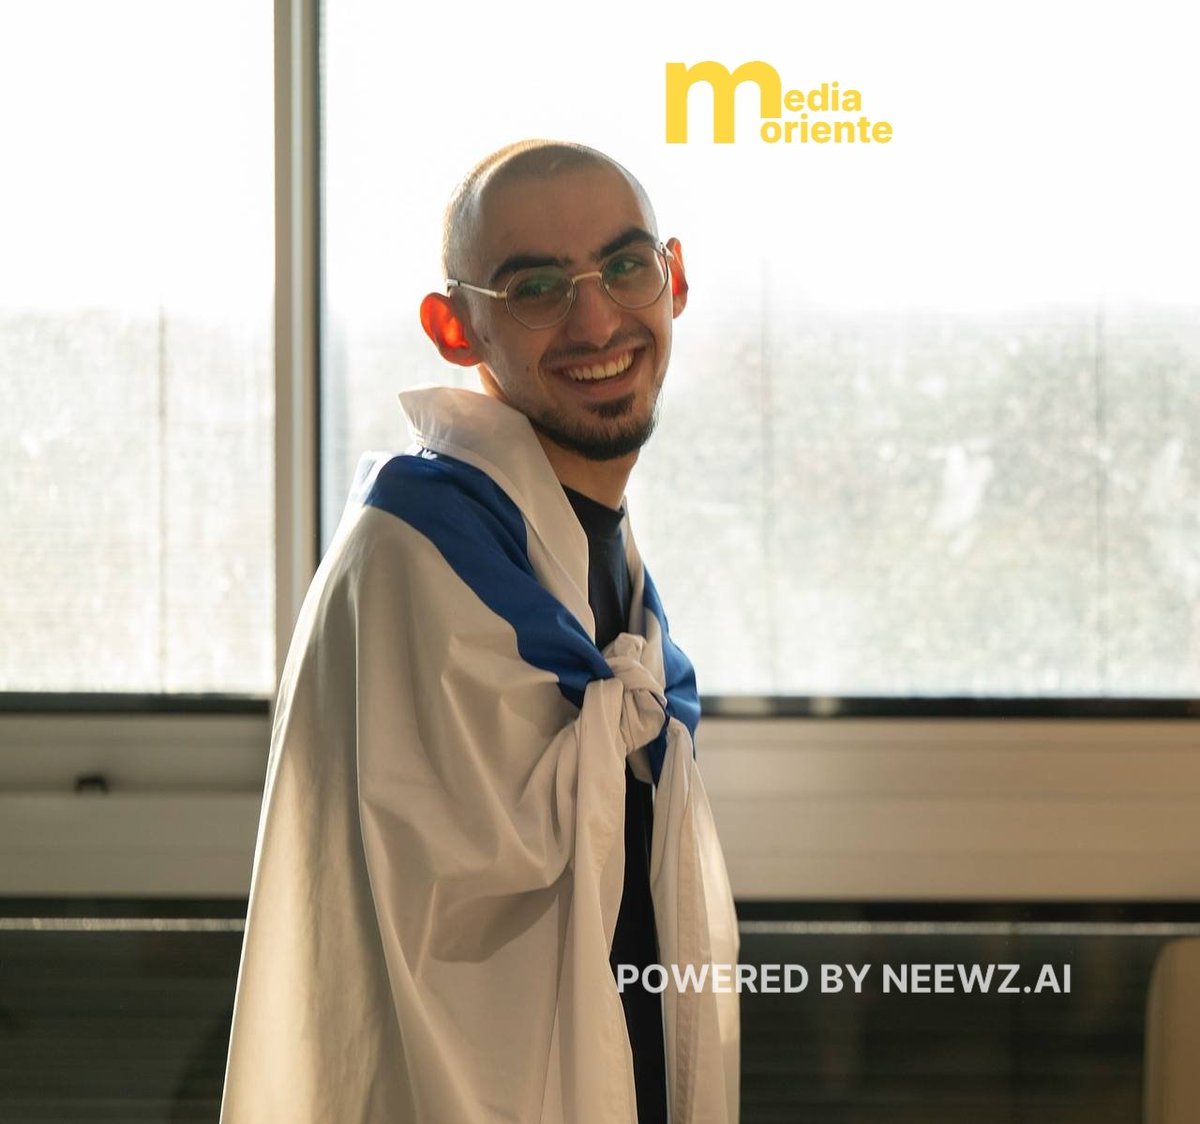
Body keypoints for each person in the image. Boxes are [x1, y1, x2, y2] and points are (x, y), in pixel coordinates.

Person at [220, 140, 739, 1124]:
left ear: (671, 278)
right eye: (535, 286)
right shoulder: (414, 554)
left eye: (624, 267)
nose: (596, 319)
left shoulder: (602, 558)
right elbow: (435, 967)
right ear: (456, 327)